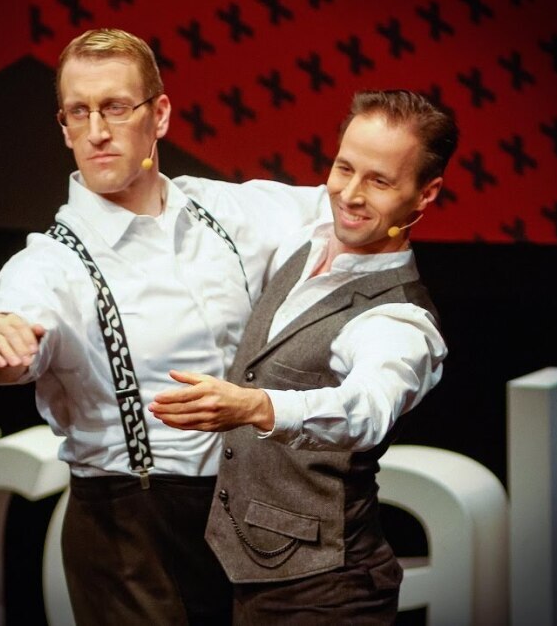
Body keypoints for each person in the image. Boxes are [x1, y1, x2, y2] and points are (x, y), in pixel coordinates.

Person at [0, 28, 328, 625]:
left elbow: (347, 209)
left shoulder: (225, 213)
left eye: (114, 107)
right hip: (130, 534)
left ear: (158, 115)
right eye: (78, 112)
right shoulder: (54, 262)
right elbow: (12, 318)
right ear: (64, 127)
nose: (96, 131)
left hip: (247, 514)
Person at [150, 90, 455, 624]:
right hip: (245, 569)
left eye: (379, 181)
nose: (350, 194)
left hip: (326, 591)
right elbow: (202, 200)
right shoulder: (306, 239)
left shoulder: (399, 319)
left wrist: (257, 406)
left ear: (425, 194)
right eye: (344, 168)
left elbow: (367, 409)